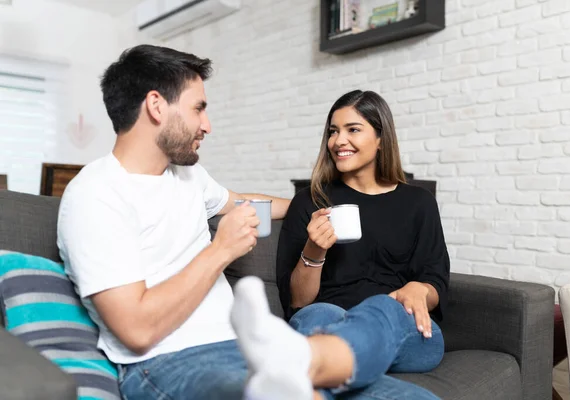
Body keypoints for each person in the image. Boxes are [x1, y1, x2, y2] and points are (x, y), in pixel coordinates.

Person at [56, 44, 441, 400]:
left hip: (249, 349)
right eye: (198, 108)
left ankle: (305, 359)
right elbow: (136, 331)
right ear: (157, 106)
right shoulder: (96, 195)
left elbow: (243, 202)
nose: (207, 125)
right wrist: (220, 251)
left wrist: (313, 203)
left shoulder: (188, 178)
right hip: (172, 361)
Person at [276, 90, 451, 399]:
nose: (338, 141)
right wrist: (314, 251)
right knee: (316, 316)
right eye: (333, 132)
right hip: (327, 315)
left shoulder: (418, 202)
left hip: (403, 325)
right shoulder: (310, 202)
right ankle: (319, 373)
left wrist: (419, 289)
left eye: (353, 129)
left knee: (383, 305)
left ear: (381, 138)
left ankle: (295, 367)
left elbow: (436, 282)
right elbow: (298, 302)